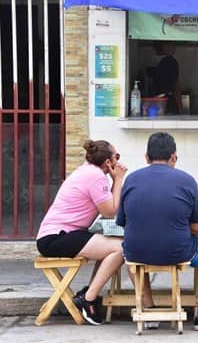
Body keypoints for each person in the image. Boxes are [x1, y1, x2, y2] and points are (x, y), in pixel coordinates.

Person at [116, 132, 198, 331]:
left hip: (137, 251)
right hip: (177, 250)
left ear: (146, 157)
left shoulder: (131, 180)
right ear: (174, 157)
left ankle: (148, 309)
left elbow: (124, 223)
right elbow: (197, 227)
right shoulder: (186, 180)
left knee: (132, 255)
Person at [36, 139, 151, 325]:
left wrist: (115, 181)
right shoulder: (95, 176)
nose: (118, 161)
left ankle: (88, 293)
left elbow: (110, 208)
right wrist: (119, 179)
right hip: (57, 237)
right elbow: (110, 212)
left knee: (111, 246)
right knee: (122, 248)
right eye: (117, 157)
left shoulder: (89, 172)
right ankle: (88, 299)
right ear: (108, 162)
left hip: (64, 234)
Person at [147, 41, 183, 114]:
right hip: (168, 103)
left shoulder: (149, 61)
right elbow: (176, 87)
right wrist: (180, 110)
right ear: (164, 46)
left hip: (153, 102)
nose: (174, 48)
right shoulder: (170, 61)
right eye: (172, 45)